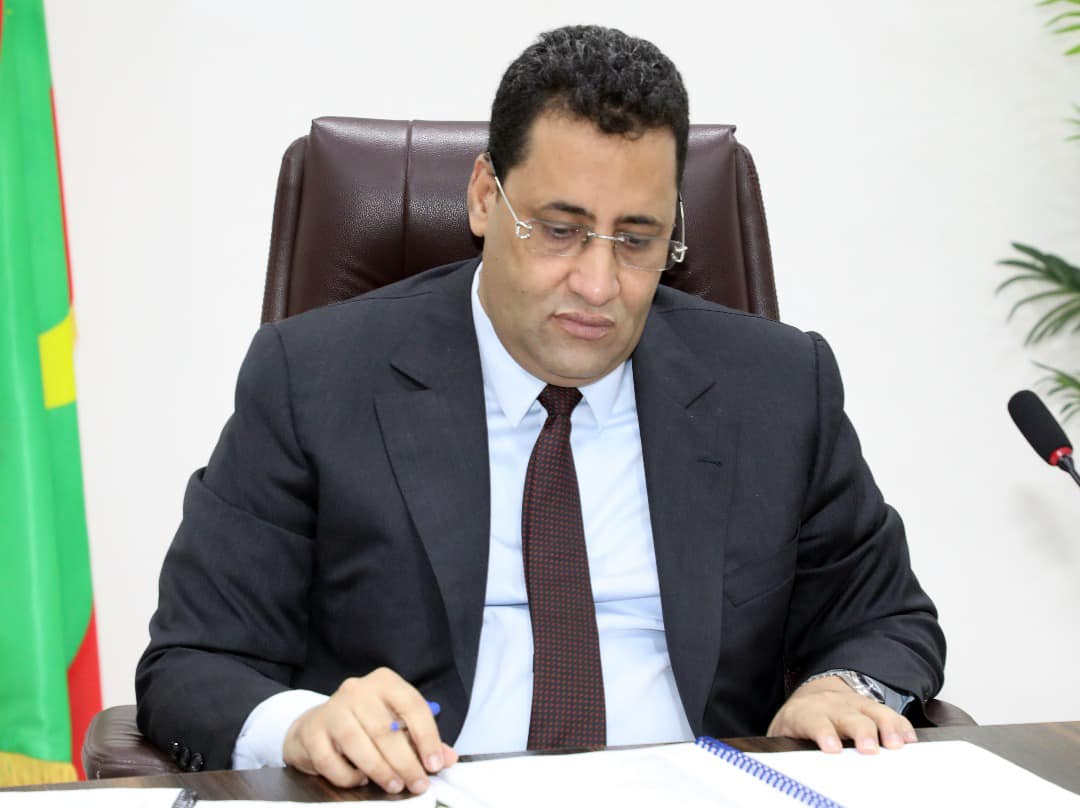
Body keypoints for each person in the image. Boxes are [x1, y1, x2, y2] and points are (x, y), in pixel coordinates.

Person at [136, 24, 945, 797]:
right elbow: (194, 659)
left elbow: (885, 616)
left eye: (638, 240)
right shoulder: (313, 378)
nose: (597, 285)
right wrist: (303, 725)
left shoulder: (776, 386)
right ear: (484, 198)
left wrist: (842, 686)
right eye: (560, 230)